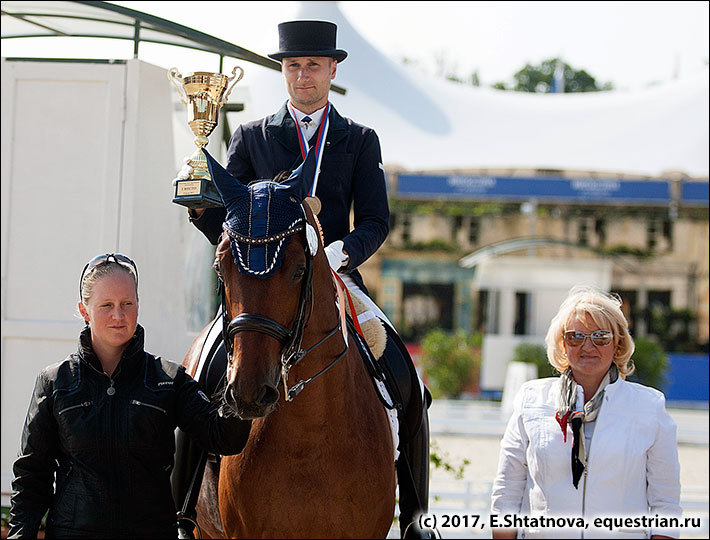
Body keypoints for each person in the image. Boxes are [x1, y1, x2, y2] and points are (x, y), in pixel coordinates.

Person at [174, 19, 434, 539]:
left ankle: (415, 517)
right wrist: (203, 208)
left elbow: (377, 221)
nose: (303, 76)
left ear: (332, 70)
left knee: (406, 378)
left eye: (313, 65)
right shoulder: (252, 137)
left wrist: (338, 254)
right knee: (200, 370)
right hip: (261, 284)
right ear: (283, 72)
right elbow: (225, 213)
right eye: (293, 66)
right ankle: (181, 508)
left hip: (336, 276)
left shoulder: (358, 140)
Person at [8, 253, 251, 538]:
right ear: (84, 310)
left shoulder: (168, 379)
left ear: (138, 305)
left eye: (127, 304)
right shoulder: (54, 383)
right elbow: (31, 478)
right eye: (106, 305)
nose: (118, 315)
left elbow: (224, 437)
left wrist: (245, 374)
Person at [490, 286, 682, 539]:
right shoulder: (531, 400)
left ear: (617, 343)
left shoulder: (649, 407)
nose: (588, 346)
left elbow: (665, 505)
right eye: (575, 337)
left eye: (601, 337)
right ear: (562, 344)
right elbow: (506, 494)